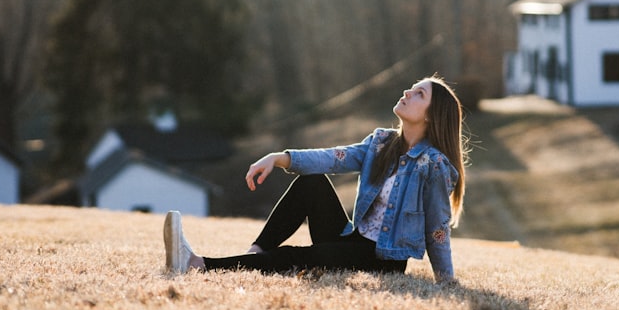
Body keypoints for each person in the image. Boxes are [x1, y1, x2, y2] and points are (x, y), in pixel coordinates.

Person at [164, 76, 468, 283]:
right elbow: (333, 157)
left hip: (381, 259)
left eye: (419, 94)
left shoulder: (434, 166)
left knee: (301, 257)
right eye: (411, 88)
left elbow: (437, 230)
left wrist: (446, 280)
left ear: (432, 115)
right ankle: (252, 257)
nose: (407, 93)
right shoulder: (381, 144)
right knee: (313, 181)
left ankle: (198, 265)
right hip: (352, 238)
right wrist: (279, 158)